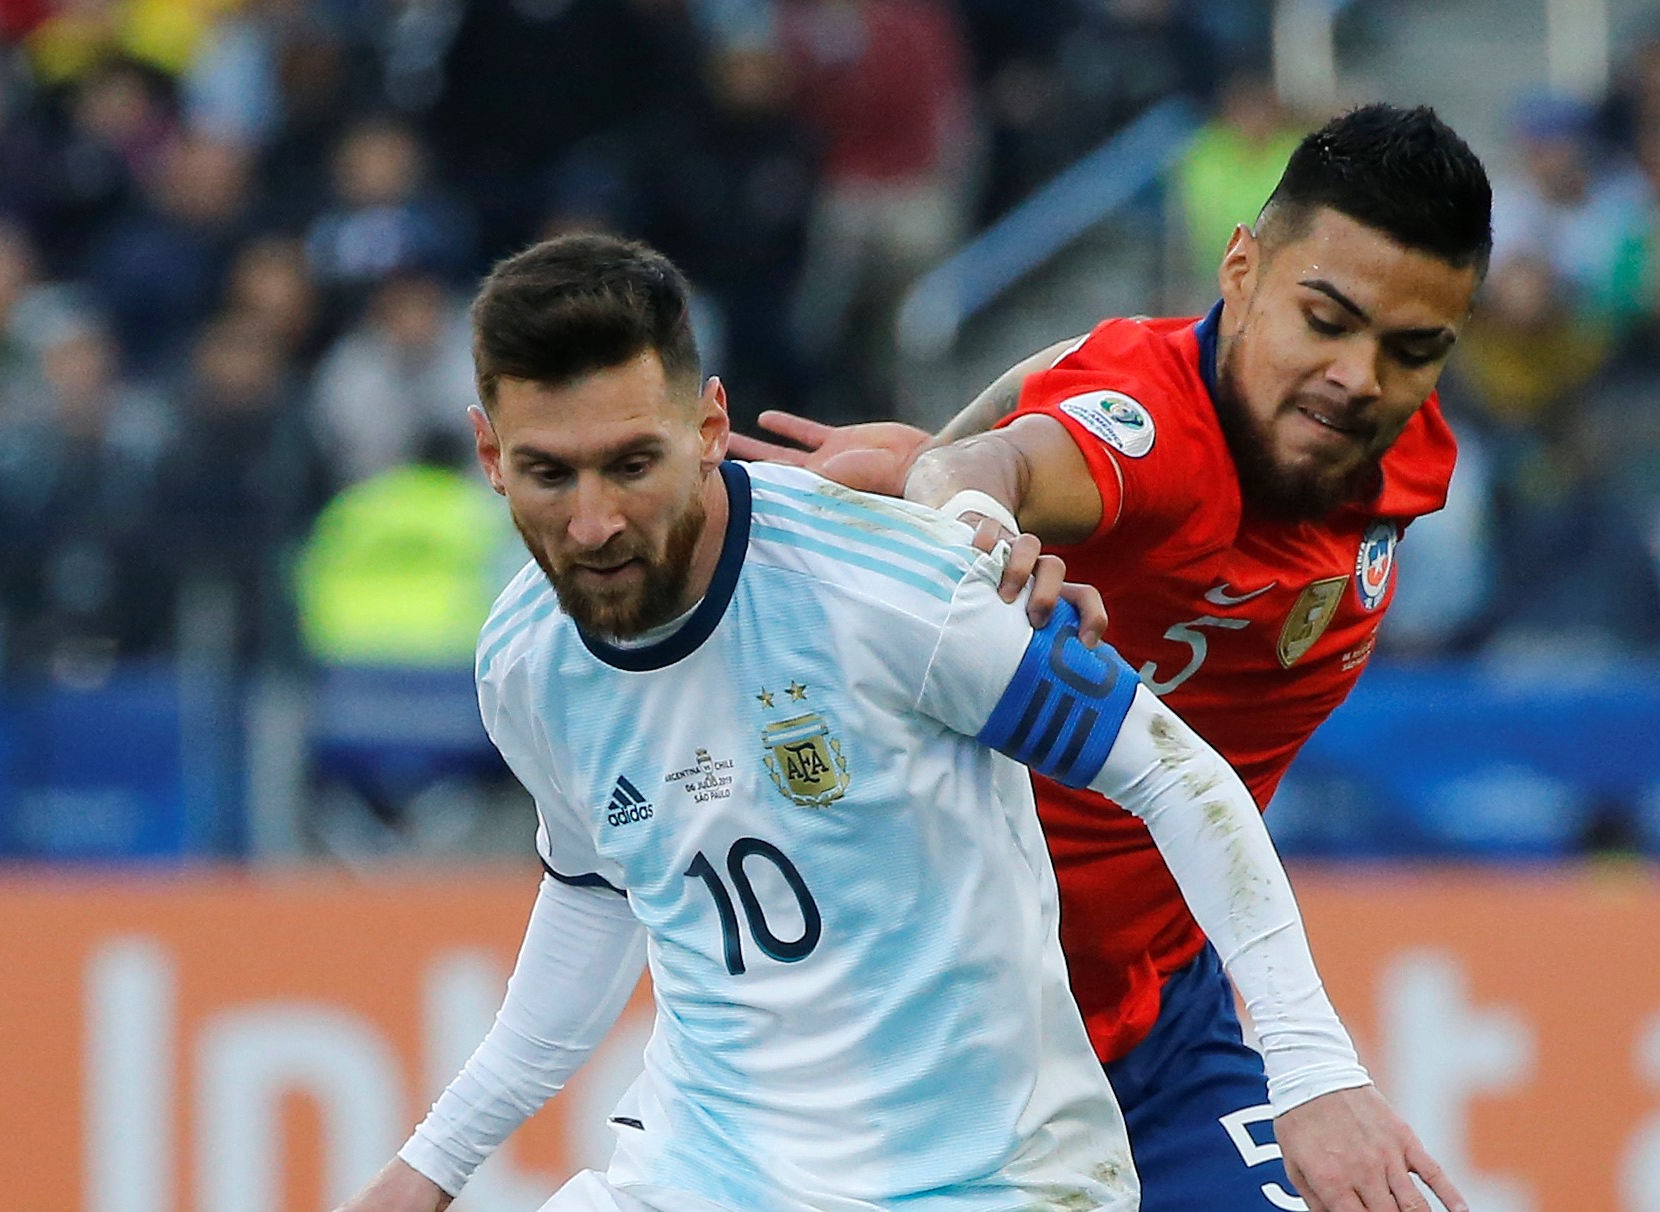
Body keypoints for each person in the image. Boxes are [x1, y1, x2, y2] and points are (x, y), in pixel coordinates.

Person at [336, 234, 1458, 1212]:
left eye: (633, 465)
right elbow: (597, 894)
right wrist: (428, 1167)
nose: (591, 523)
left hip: (982, 1182)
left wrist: (1311, 1072)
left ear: (710, 425)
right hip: (706, 1172)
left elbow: (1174, 775)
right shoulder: (525, 656)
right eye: (548, 474)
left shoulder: (892, 589)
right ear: (489, 456)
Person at [730, 104, 1490, 1211]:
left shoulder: (1397, 450)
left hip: (1155, 1022)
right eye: (1324, 319)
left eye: (1409, 348)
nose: (1357, 378)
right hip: (941, 1051)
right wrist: (961, 504)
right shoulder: (1149, 444)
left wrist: (930, 450)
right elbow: (1000, 470)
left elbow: (1065, 373)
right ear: (1242, 268)